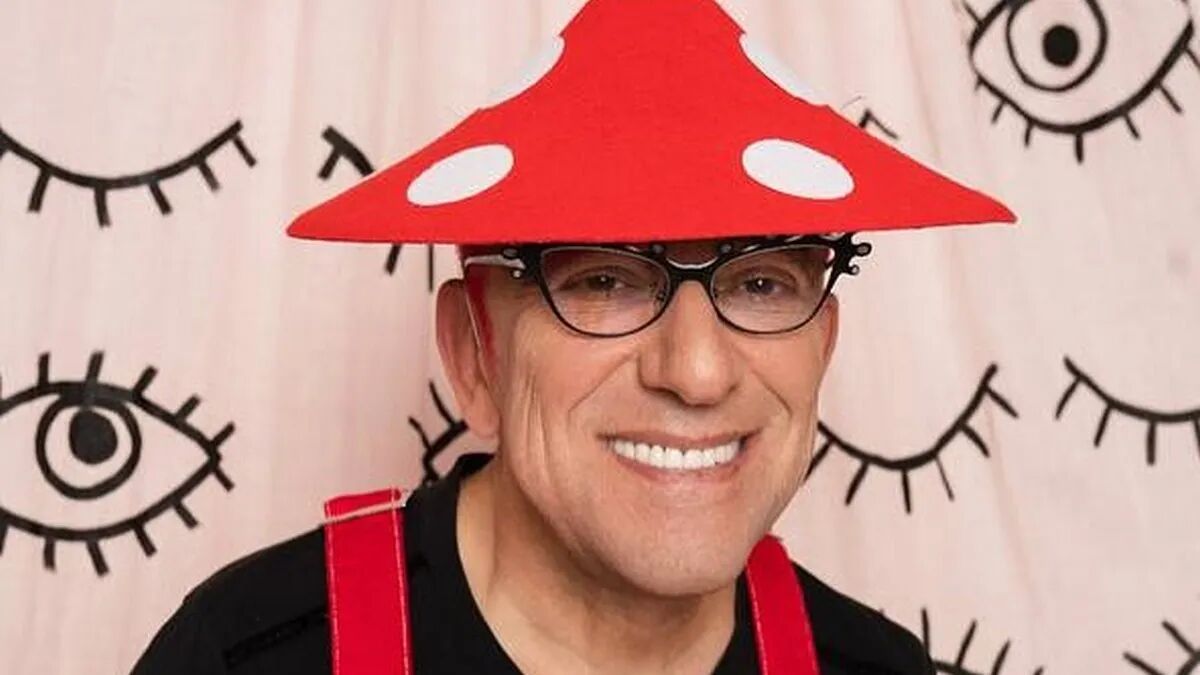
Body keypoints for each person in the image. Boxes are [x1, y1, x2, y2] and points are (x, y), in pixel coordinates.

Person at [133, 0, 1013, 673]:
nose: (697, 371)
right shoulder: (241, 657)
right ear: (474, 351)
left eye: (760, 281)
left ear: (824, 345)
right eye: (604, 281)